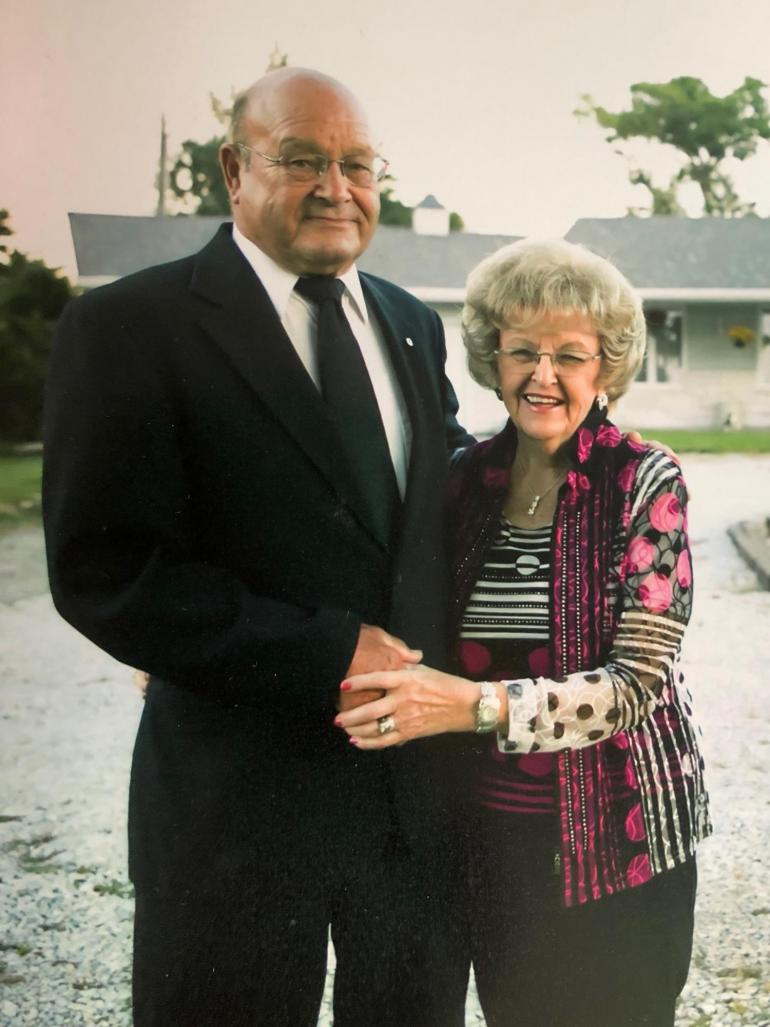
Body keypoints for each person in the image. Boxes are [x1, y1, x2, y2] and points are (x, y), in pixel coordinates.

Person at [43, 67, 474, 1027]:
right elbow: (103, 570)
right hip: (232, 806)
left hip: (408, 805)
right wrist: (320, 650)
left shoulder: (409, 324)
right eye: (302, 160)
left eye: (357, 163)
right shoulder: (129, 328)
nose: (336, 187)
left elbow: (440, 508)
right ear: (236, 171)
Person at [336, 238, 712, 1027]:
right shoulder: (466, 480)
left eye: (570, 356)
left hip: (621, 840)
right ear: (492, 359)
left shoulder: (645, 479)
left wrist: (477, 706)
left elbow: (635, 685)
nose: (544, 376)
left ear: (605, 368)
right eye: (522, 352)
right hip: (496, 842)